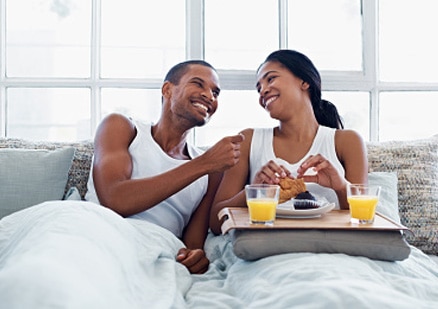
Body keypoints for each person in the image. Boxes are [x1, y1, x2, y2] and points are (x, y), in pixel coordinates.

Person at [85, 60, 244, 274]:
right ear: (167, 90)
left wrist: (195, 256)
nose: (209, 95)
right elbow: (114, 199)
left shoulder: (211, 171)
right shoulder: (122, 127)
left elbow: (192, 244)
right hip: (98, 232)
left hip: (156, 248)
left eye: (215, 92)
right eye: (198, 84)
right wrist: (204, 163)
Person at [210, 49, 368, 235]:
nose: (263, 91)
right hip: (268, 248)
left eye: (271, 79)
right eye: (259, 88)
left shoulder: (347, 141)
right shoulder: (249, 140)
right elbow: (215, 222)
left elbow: (364, 221)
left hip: (330, 247)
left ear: (304, 81)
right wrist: (254, 191)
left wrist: (341, 187)